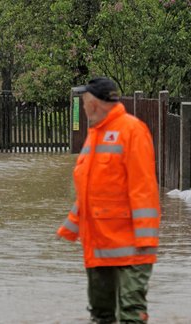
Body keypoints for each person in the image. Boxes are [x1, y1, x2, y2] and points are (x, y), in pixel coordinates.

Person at [57, 77, 161, 323]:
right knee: (101, 315)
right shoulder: (94, 135)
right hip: (98, 245)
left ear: (94, 103)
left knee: (131, 314)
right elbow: (89, 190)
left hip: (131, 246)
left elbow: (143, 188)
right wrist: (70, 228)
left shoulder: (132, 131)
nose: (83, 108)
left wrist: (146, 238)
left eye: (84, 102)